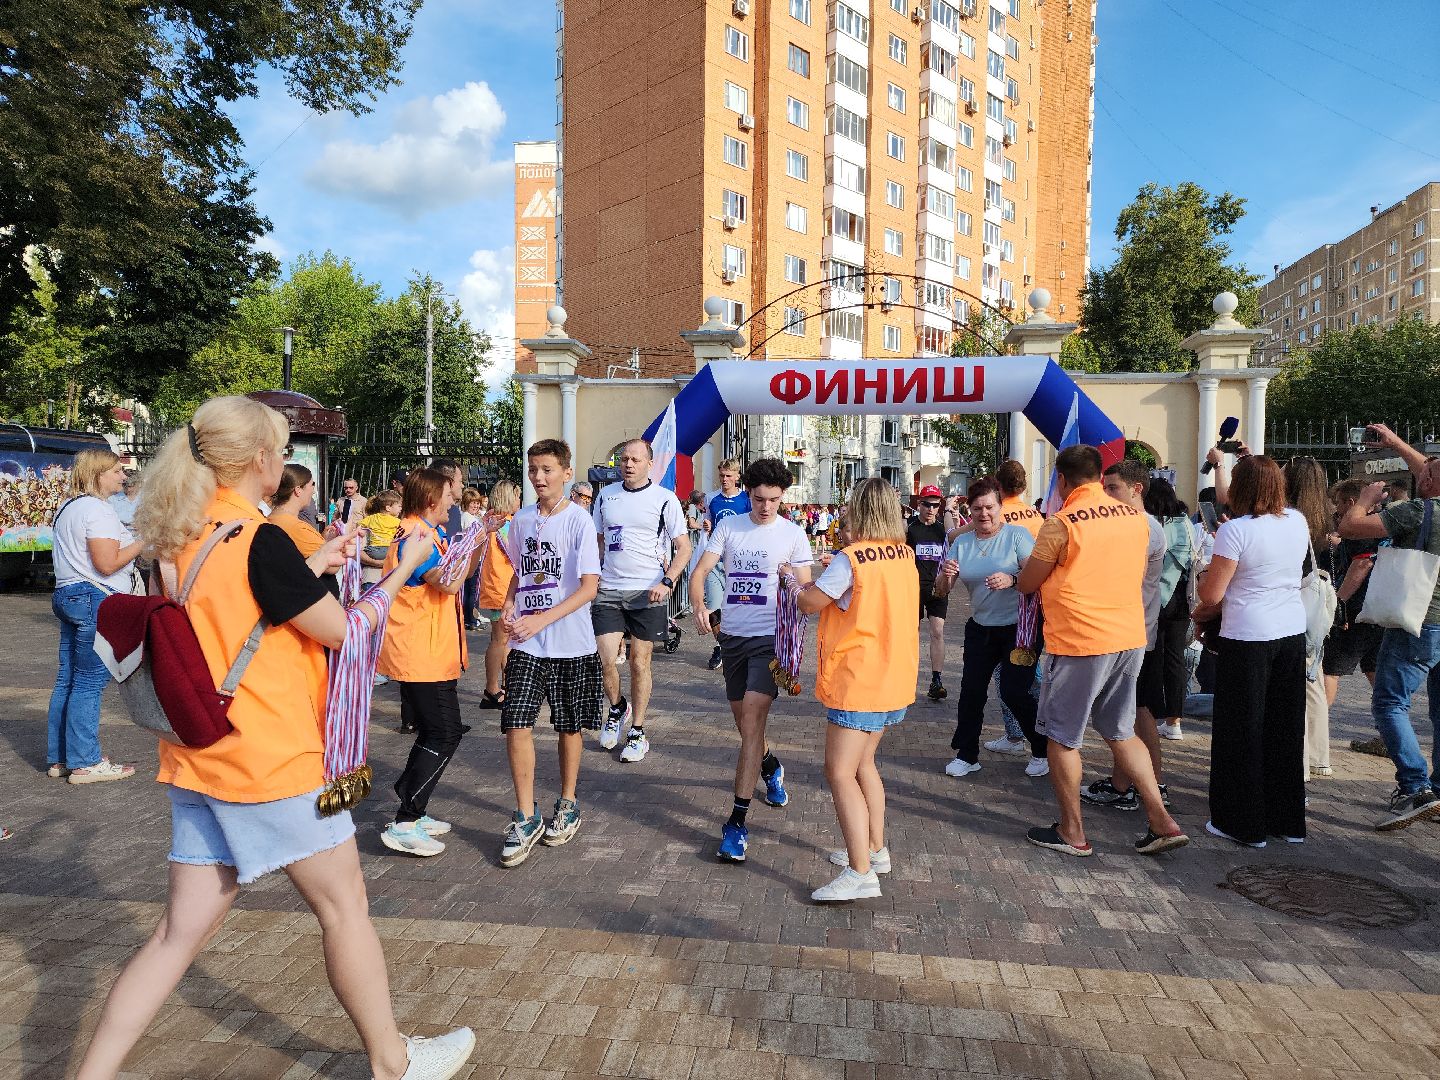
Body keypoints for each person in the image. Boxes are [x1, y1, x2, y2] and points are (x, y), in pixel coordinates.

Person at [76, 395, 474, 1080]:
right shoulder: (259, 539)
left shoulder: (183, 531)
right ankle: (393, 1062)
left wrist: (317, 562)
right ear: (262, 460)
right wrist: (402, 568)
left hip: (198, 758)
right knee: (344, 905)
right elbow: (343, 630)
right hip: (270, 759)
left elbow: (238, 607)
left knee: (176, 935)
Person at [1017, 445, 1187, 857]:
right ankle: (1161, 820)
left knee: (1062, 737)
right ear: (1098, 477)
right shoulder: (1140, 520)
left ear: (1061, 480)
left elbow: (1027, 583)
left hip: (1080, 640)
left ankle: (1072, 831)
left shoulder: (1061, 523)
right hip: (1128, 637)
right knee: (1121, 730)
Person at [793, 479, 917, 901]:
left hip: (859, 679)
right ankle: (874, 849)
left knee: (840, 772)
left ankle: (860, 871)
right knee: (865, 765)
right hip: (891, 676)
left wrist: (796, 583)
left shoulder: (852, 559)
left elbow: (810, 602)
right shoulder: (903, 553)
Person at [689, 458, 813, 863]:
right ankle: (770, 765)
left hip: (768, 639)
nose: (766, 507)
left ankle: (736, 824)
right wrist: (699, 606)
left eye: (774, 500)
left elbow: (807, 595)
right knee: (747, 729)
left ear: (783, 497)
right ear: (749, 493)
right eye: (759, 499)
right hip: (733, 640)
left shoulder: (794, 535)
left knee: (753, 721)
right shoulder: (729, 526)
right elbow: (702, 569)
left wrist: (791, 579)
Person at [1191, 455, 1309, 847]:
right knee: (1284, 728)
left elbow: (1212, 594)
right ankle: (1286, 821)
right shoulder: (1296, 520)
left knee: (1240, 730)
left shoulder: (1235, 531)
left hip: (1248, 634)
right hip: (1291, 630)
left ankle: (1239, 822)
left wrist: (1208, 573)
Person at [497, 440, 603, 867]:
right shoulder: (521, 520)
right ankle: (525, 815)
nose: (538, 478)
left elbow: (589, 587)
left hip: (571, 643)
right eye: (533, 469)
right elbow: (520, 575)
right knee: (516, 722)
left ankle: (567, 800)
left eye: (546, 470)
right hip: (527, 643)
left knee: (568, 725)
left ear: (564, 471)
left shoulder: (579, 520)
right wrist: (510, 601)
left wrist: (542, 619)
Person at [1337, 423, 1440, 830]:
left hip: (1419, 620)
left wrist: (1363, 499)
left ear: (1427, 481)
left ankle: (1415, 786)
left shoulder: (1419, 511)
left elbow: (1350, 528)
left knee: (1389, 702)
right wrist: (1397, 443)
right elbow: (1431, 473)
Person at [376, 468, 482, 857]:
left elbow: (458, 576)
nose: (454, 501)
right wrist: (473, 542)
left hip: (432, 651)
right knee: (445, 732)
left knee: (436, 731)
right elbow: (450, 582)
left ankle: (412, 803)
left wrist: (476, 544)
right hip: (421, 653)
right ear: (430, 501)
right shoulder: (416, 538)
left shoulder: (426, 533)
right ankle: (406, 816)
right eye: (449, 496)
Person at [935, 478, 1046, 778]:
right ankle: (967, 754)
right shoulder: (962, 542)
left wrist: (1012, 579)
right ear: (969, 511)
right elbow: (941, 591)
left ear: (1000, 507)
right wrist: (945, 575)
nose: (984, 514)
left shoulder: (1017, 536)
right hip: (981, 628)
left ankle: (1041, 748)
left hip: (1018, 629)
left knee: (1014, 691)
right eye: (976, 509)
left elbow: (1035, 573)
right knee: (971, 691)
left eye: (989, 507)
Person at [47, 449, 143, 784]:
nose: (123, 477)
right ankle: (85, 761)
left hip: (67, 593)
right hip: (94, 596)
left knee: (68, 679)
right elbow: (107, 563)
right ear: (98, 474)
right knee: (88, 682)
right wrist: (143, 543)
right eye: (117, 471)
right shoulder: (99, 510)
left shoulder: (68, 507)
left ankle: (61, 757)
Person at [591, 440, 692, 762]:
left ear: (650, 464)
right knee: (606, 659)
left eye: (635, 459)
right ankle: (618, 707)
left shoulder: (664, 499)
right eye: (624, 459)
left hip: (647, 591)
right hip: (609, 589)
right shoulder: (606, 496)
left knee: (639, 662)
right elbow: (597, 541)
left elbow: (684, 547)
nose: (628, 464)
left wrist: (668, 581)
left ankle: (637, 731)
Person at [1079, 461, 1169, 811]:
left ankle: (1151, 785)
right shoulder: (1132, 524)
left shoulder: (1144, 527)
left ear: (1137, 489)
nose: (1106, 495)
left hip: (1137, 633)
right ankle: (1125, 783)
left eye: (1113, 488)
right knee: (1128, 713)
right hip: (1131, 631)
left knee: (1136, 712)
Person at [1283, 456, 1335, 780]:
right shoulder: (1324, 519)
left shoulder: (1291, 519)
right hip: (1317, 610)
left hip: (1294, 607)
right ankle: (1319, 756)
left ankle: (1299, 763)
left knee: (1294, 688)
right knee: (1313, 680)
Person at [1139, 479, 1194, 743]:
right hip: (1182, 597)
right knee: (1176, 659)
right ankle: (1175, 721)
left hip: (1156, 598)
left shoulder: (1155, 525)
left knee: (1152, 657)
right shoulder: (1185, 523)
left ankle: (1149, 712)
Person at [1323, 479, 1383, 709]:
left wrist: (1338, 604)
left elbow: (1362, 563)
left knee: (1329, 668)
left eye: (1338, 503)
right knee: (1373, 667)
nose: (1336, 509)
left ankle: (1314, 732)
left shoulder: (1361, 529)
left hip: (1356, 611)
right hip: (1376, 608)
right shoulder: (1378, 525)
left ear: (1350, 502)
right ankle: (1390, 728)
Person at [476, 480, 521, 710]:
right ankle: (492, 689)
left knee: (503, 640)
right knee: (500, 640)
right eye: (517, 496)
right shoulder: (503, 524)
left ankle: (501, 686)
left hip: (498, 589)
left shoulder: (495, 522)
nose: (519, 501)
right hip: (501, 591)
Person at [704, 459, 752, 671]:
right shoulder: (712, 499)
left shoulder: (746, 500)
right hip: (716, 561)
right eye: (722, 475)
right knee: (713, 609)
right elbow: (709, 525)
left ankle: (739, 648)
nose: (724, 480)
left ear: (737, 476)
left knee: (738, 609)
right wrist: (704, 526)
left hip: (739, 563)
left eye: (729, 476)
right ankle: (721, 646)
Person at [908, 485, 951, 701]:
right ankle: (908, 678)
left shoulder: (943, 530)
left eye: (936, 505)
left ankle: (937, 680)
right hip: (913, 589)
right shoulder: (910, 529)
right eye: (927, 504)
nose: (931, 509)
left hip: (937, 588)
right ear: (919, 504)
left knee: (937, 632)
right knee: (911, 634)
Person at [359, 490, 403, 587]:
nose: (401, 508)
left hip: (373, 552)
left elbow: (359, 526)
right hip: (389, 552)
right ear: (388, 508)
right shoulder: (398, 522)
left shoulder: (371, 518)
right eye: (399, 506)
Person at [459, 488, 485, 629]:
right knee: (472, 591)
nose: (475, 506)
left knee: (469, 591)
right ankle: (471, 620)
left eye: (477, 503)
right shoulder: (468, 519)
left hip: (472, 557)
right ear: (466, 503)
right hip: (472, 557)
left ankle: (468, 619)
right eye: (472, 503)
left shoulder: (470, 517)